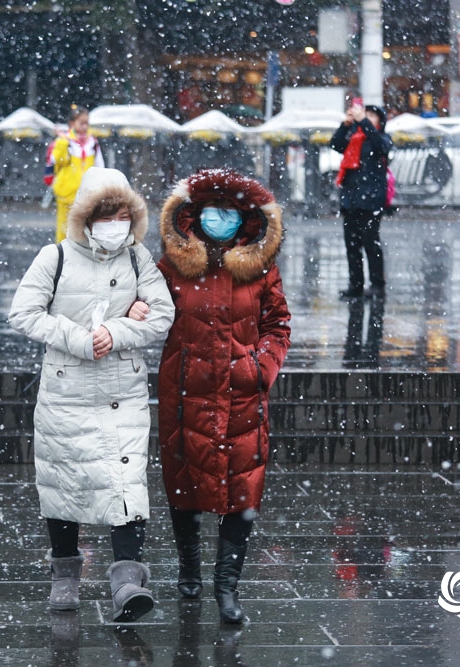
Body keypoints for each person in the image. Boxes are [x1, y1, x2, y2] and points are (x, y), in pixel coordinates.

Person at [8, 166, 174, 622]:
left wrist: (119, 331)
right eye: (106, 215)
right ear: (86, 217)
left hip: (124, 389)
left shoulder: (139, 260)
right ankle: (65, 572)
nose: (115, 223)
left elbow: (163, 315)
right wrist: (80, 337)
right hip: (68, 391)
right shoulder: (54, 257)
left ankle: (126, 580)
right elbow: (23, 313)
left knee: (126, 482)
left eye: (123, 214)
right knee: (64, 481)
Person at [156, 169, 291, 624]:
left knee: (243, 487)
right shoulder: (171, 267)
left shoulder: (259, 270)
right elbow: (151, 314)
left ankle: (227, 586)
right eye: (213, 211)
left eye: (230, 212)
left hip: (242, 395)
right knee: (184, 483)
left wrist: (261, 366)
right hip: (185, 392)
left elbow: (278, 325)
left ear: (246, 220)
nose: (221, 220)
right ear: (193, 216)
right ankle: (188, 569)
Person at [329, 101, 393, 299]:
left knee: (371, 243)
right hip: (351, 199)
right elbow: (335, 143)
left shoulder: (382, 138)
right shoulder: (353, 138)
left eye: (372, 116)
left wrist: (363, 122)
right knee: (352, 245)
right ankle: (355, 285)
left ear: (380, 121)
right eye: (366, 115)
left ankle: (377, 286)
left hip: (372, 200)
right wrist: (346, 125)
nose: (367, 119)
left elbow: (381, 147)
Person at [48, 105, 104, 243]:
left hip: (87, 194)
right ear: (72, 123)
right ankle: (63, 257)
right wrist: (62, 142)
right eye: (81, 122)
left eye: (87, 122)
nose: (85, 126)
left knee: (85, 229)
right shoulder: (64, 141)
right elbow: (55, 161)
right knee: (64, 228)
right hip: (66, 193)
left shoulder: (92, 142)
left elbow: (100, 165)